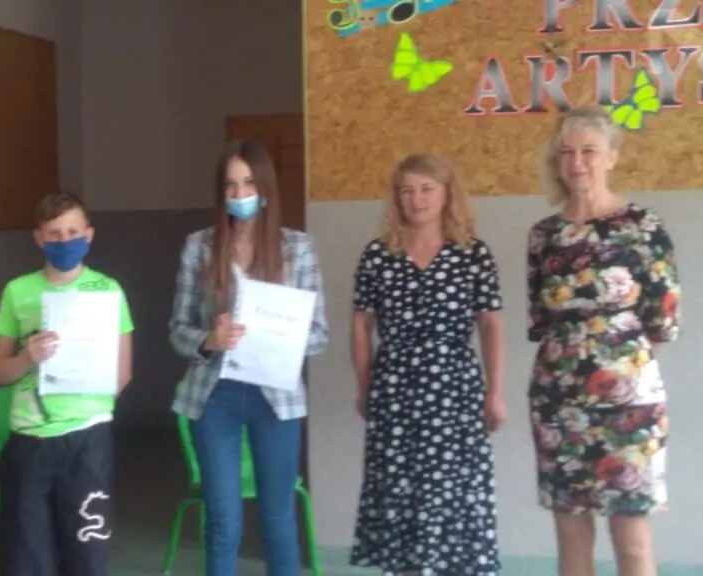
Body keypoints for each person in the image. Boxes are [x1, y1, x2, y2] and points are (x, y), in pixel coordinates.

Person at [526, 107, 680, 575]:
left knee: (632, 542)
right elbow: (540, 318)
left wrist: (615, 365)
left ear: (611, 157)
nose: (577, 162)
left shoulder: (643, 228)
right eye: (567, 152)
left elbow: (662, 322)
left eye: (589, 151)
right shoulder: (544, 236)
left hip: (629, 404)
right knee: (571, 536)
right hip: (557, 399)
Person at [168, 139, 328, 576]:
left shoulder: (298, 248)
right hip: (214, 396)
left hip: (275, 397)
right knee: (223, 522)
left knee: (278, 520)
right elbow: (177, 330)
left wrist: (281, 336)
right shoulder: (199, 246)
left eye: (249, 183)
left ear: (266, 188)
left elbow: (319, 335)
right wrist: (209, 338)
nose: (239, 194)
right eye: (230, 185)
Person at [349, 154, 506, 575]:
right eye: (406, 191)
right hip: (394, 389)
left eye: (426, 189)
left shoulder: (472, 254)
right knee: (399, 491)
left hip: (455, 389)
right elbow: (361, 323)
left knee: (453, 490)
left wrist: (495, 392)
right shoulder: (379, 255)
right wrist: (364, 383)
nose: (416, 199)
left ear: (446, 194)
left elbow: (491, 324)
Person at [0, 192, 134, 576]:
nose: (64, 241)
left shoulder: (109, 291)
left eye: (73, 232)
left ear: (89, 235)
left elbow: (122, 374)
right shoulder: (18, 291)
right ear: (38, 238)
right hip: (30, 439)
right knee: (25, 557)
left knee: (86, 553)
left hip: (87, 439)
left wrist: (85, 373)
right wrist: (28, 358)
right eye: (54, 234)